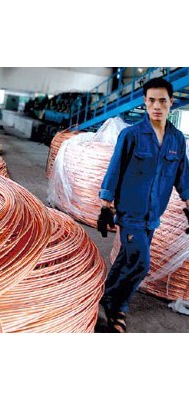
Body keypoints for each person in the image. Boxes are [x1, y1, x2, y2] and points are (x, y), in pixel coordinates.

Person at [97, 76, 189, 333]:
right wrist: (106, 206)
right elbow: (115, 170)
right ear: (145, 103)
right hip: (130, 214)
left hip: (153, 216)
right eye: (152, 101)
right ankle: (117, 305)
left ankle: (105, 296)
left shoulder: (177, 140)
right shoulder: (131, 135)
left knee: (126, 259)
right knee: (140, 263)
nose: (157, 106)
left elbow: (183, 176)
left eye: (162, 101)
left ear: (171, 102)